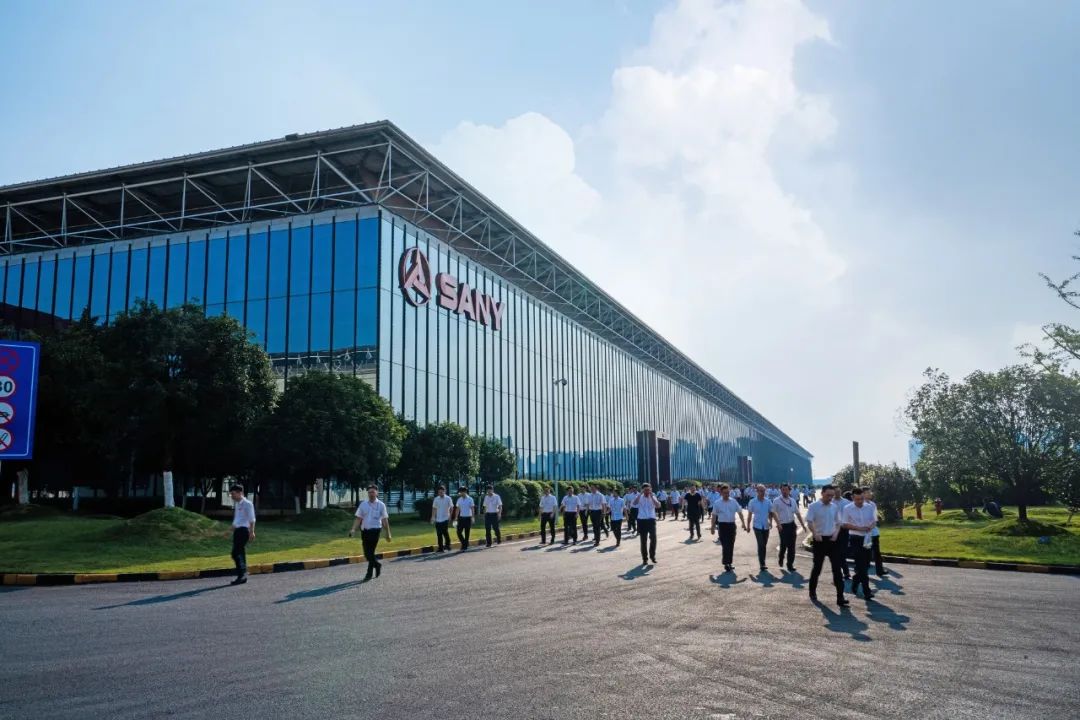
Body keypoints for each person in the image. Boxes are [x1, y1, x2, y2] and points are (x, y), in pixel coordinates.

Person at [805, 485, 847, 606]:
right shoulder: (814, 506)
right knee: (817, 568)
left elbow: (838, 523)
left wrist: (836, 534)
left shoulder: (834, 507)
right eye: (828, 495)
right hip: (820, 540)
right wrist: (815, 533)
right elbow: (809, 521)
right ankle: (812, 591)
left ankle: (840, 597)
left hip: (833, 540)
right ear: (822, 493)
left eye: (832, 496)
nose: (830, 498)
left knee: (837, 569)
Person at [349, 485, 392, 581]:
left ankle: (369, 574)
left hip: (375, 531)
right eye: (369, 492)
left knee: (370, 552)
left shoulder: (381, 505)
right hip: (365, 531)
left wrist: (388, 533)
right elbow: (358, 518)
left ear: (377, 493)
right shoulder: (363, 504)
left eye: (373, 492)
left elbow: (385, 520)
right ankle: (377, 565)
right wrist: (353, 529)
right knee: (367, 554)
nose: (371, 494)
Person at [840, 487, 877, 601]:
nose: (860, 501)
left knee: (866, 564)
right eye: (857, 499)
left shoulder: (869, 507)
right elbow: (844, 524)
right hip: (855, 538)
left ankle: (856, 580)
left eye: (862, 499)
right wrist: (859, 528)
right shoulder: (847, 508)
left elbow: (874, 520)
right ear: (852, 498)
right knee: (861, 564)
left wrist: (871, 526)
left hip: (867, 538)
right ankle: (867, 591)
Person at [710, 484, 747, 572]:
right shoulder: (717, 503)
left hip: (731, 526)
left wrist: (743, 523)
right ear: (721, 493)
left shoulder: (733, 502)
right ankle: (726, 563)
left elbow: (740, 512)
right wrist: (712, 527)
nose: (726, 494)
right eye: (725, 493)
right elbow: (714, 515)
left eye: (728, 492)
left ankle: (729, 562)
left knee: (731, 544)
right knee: (725, 545)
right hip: (722, 526)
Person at [772, 483, 807, 572]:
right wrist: (778, 524)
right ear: (780, 490)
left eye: (786, 490)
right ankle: (781, 557)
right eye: (783, 490)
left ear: (789, 490)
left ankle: (790, 564)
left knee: (791, 546)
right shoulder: (776, 501)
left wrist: (803, 525)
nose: (784, 491)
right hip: (782, 526)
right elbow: (773, 513)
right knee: (784, 544)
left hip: (791, 525)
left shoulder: (792, 501)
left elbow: (797, 513)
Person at [227, 483, 255, 586]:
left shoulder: (247, 504)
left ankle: (242, 574)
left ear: (240, 493)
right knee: (240, 553)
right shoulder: (237, 504)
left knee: (235, 553)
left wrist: (252, 532)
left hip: (244, 531)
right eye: (231, 494)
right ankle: (243, 575)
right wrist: (230, 531)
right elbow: (237, 520)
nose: (232, 496)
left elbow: (252, 519)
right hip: (237, 531)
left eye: (233, 493)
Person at [745, 484, 777, 572]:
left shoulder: (768, 501)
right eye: (761, 491)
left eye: (764, 491)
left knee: (764, 545)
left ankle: (762, 560)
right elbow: (749, 515)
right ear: (757, 491)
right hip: (757, 526)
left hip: (766, 526)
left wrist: (771, 522)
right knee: (761, 544)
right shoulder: (752, 502)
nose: (763, 492)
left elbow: (771, 513)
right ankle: (762, 563)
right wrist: (748, 526)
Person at [629, 483, 661, 565]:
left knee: (653, 539)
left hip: (651, 520)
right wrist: (640, 494)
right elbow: (634, 504)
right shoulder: (639, 497)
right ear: (643, 490)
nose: (647, 491)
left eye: (648, 489)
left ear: (650, 489)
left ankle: (652, 556)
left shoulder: (653, 496)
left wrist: (652, 497)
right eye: (645, 490)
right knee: (643, 541)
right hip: (642, 521)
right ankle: (645, 559)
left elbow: (658, 506)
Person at [863, 489, 889, 576]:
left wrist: (872, 526)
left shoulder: (873, 504)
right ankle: (862, 571)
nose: (870, 494)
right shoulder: (860, 505)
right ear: (863, 494)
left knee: (877, 553)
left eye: (870, 492)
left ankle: (879, 571)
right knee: (866, 553)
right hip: (865, 533)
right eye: (868, 492)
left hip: (874, 532)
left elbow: (875, 518)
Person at [834, 490, 853, 581]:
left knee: (842, 553)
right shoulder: (829, 503)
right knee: (835, 554)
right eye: (835, 491)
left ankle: (845, 572)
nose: (837, 493)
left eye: (838, 491)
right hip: (833, 530)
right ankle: (842, 573)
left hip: (844, 530)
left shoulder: (847, 502)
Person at [430, 485, 454, 552]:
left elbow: (451, 507)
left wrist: (450, 516)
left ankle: (448, 545)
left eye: (441, 492)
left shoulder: (448, 498)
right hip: (438, 519)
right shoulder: (436, 499)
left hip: (445, 518)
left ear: (444, 491)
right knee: (439, 534)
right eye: (439, 492)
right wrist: (433, 517)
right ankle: (440, 548)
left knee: (445, 532)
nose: (440, 493)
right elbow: (434, 508)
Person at [452, 486, 475, 552]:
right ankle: (464, 543)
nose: (460, 493)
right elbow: (457, 509)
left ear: (465, 492)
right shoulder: (459, 499)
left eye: (461, 492)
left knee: (467, 532)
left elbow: (472, 508)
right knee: (458, 532)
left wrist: (473, 517)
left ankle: (464, 546)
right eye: (460, 492)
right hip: (461, 517)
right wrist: (456, 517)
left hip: (468, 517)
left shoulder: (470, 499)